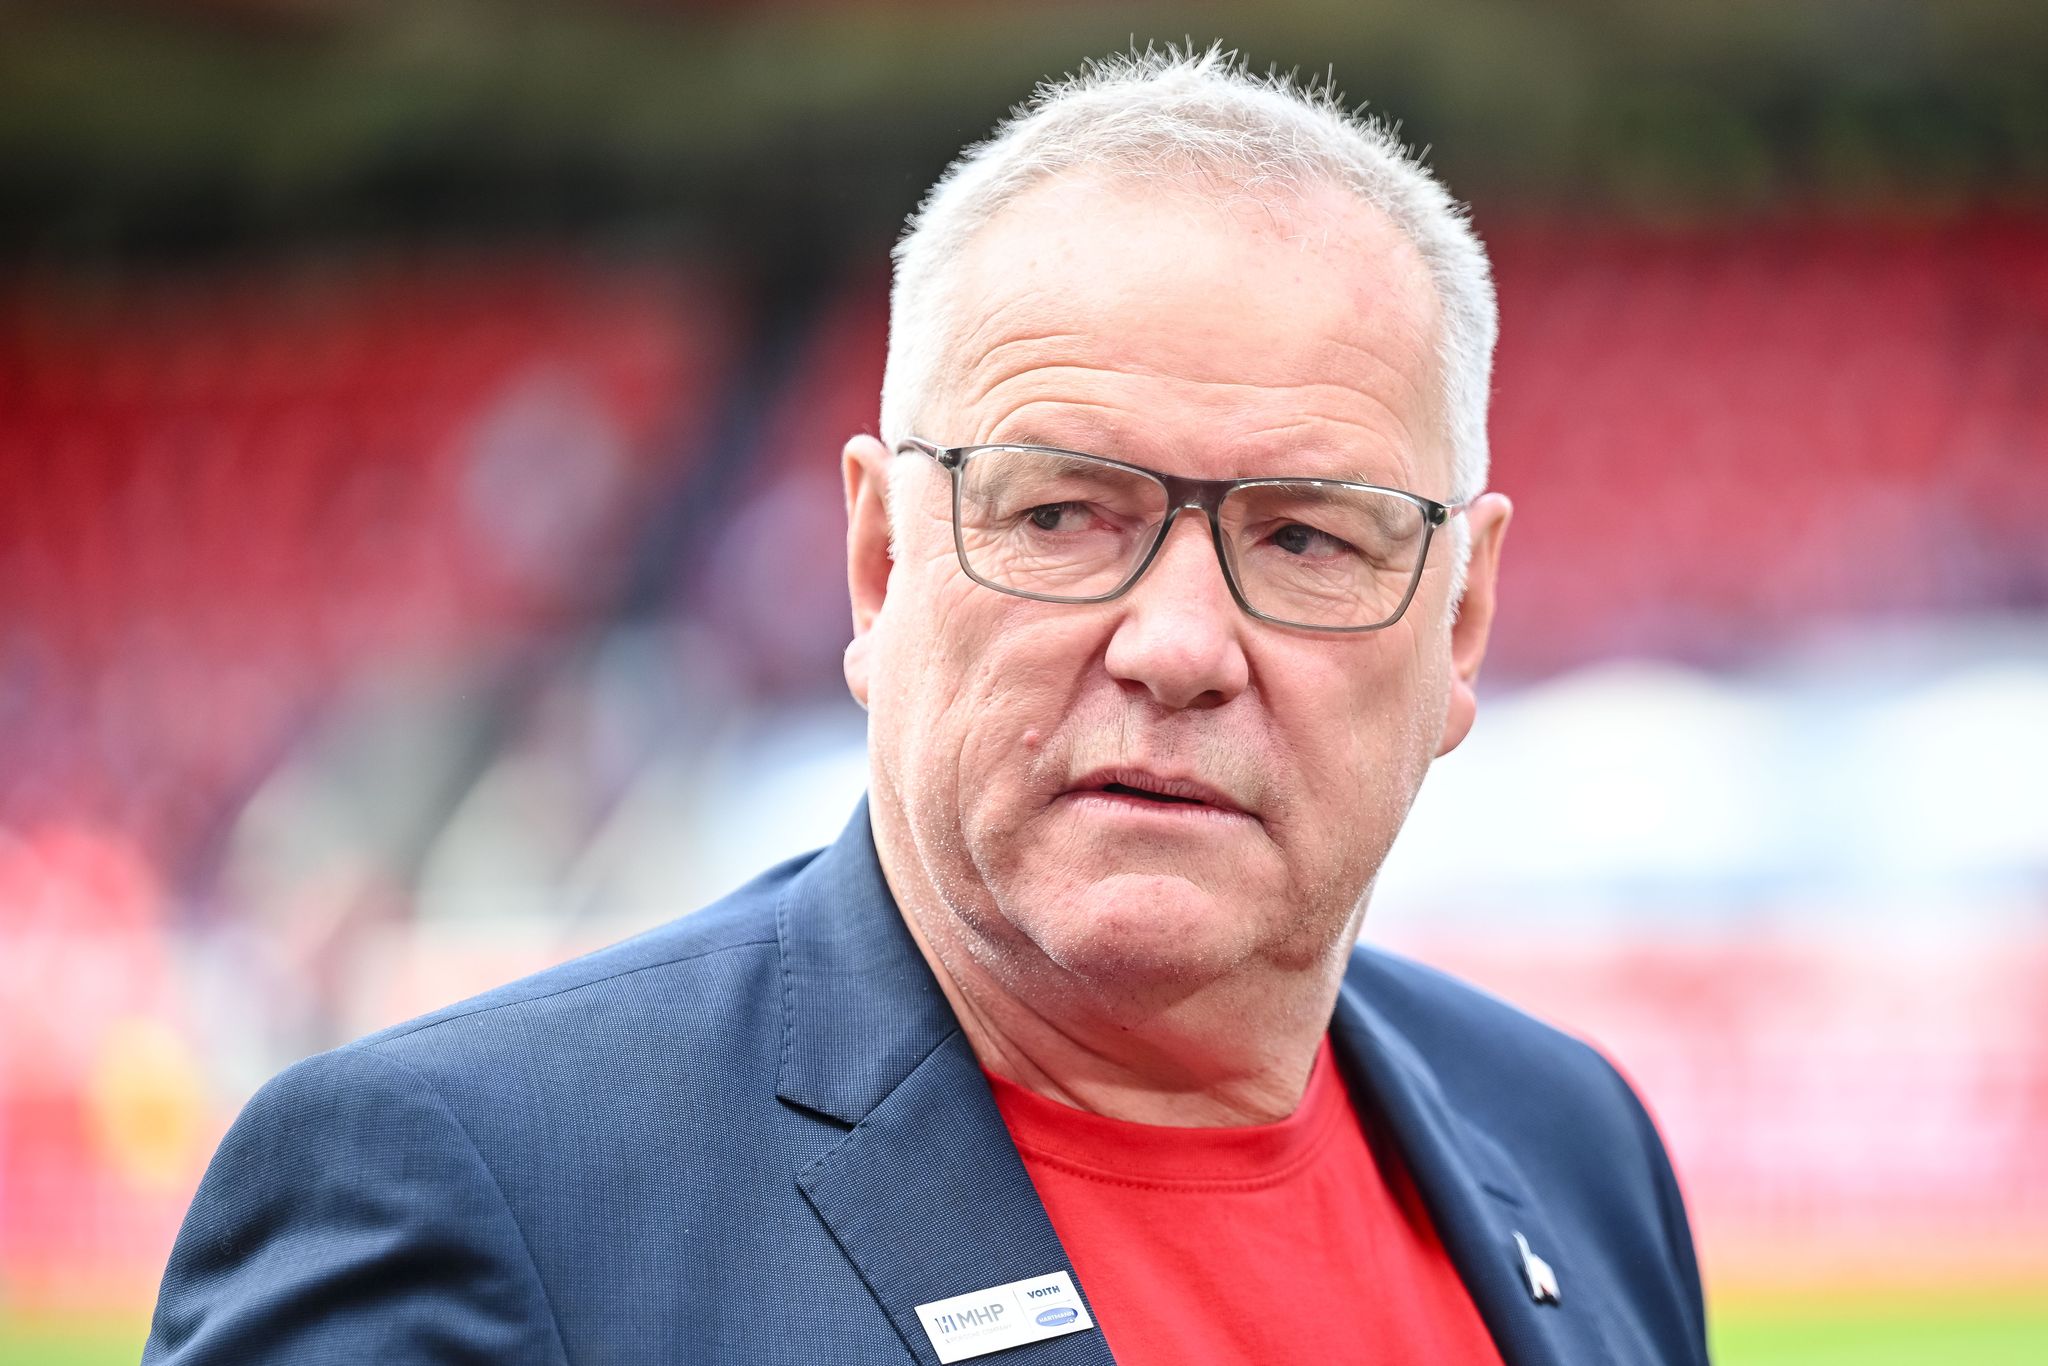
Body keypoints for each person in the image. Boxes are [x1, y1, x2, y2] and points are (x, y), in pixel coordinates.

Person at [145, 46, 1708, 1366]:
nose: (1178, 643)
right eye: (1062, 514)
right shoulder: (474, 1191)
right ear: (879, 564)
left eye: (1306, 538)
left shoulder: (1575, 1148)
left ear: (1461, 624)